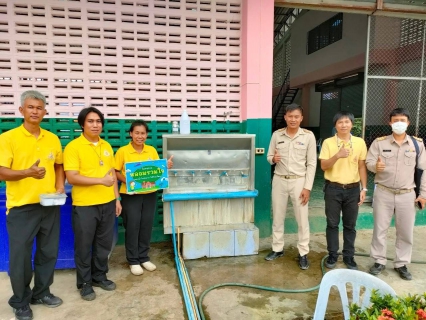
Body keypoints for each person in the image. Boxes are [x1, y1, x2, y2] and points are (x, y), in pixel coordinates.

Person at [0, 90, 64, 320]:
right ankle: (20, 301)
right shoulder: (8, 138)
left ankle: (42, 292)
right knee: (21, 257)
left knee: (48, 252)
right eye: (30, 107)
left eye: (39, 108)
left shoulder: (52, 138)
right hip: (21, 207)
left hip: (49, 205)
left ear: (45, 112)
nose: (35, 111)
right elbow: (1, 171)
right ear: (21, 111)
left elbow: (59, 164)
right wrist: (27, 172)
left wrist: (59, 186)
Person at [64, 107, 122, 301]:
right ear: (82, 124)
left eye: (98, 121)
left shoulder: (106, 146)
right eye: (90, 121)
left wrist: (116, 198)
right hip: (85, 205)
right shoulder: (73, 147)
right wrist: (100, 181)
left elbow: (112, 174)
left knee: (103, 244)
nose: (95, 125)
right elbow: (71, 177)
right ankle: (85, 283)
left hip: (107, 203)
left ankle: (99, 276)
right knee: (83, 245)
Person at [366, 108, 426, 280]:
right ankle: (379, 261)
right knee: (380, 229)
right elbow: (369, 161)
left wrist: (423, 194)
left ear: (408, 122)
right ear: (390, 122)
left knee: (405, 231)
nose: (399, 123)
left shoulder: (417, 144)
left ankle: (401, 263)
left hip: (407, 194)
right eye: (395, 120)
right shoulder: (380, 143)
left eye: (402, 120)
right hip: (384, 192)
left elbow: (424, 170)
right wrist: (374, 167)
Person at [114, 120, 173, 276]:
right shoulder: (123, 152)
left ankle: (144, 257)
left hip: (149, 194)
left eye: (143, 133)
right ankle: (133, 260)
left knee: (146, 225)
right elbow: (115, 172)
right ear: (131, 134)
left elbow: (155, 171)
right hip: (130, 195)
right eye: (137, 133)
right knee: (132, 226)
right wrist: (127, 180)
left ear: (147, 135)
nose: (140, 136)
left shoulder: (151, 150)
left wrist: (165, 167)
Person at [265, 103, 317, 270]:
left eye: (296, 116)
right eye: (290, 116)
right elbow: (268, 156)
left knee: (302, 218)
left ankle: (303, 252)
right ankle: (277, 248)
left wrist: (307, 187)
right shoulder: (277, 135)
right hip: (279, 179)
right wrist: (273, 160)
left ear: (301, 118)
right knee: (278, 216)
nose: (293, 119)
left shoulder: (308, 136)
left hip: (299, 181)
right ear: (285, 117)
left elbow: (312, 163)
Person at [319, 111, 367, 270]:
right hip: (333, 188)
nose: (344, 125)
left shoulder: (360, 142)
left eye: (347, 122)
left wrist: (364, 188)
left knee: (350, 225)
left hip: (353, 190)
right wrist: (337, 155)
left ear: (352, 124)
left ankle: (349, 256)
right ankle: (333, 254)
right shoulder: (328, 143)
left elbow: (361, 166)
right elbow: (324, 166)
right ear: (335, 125)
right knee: (332, 224)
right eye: (340, 122)